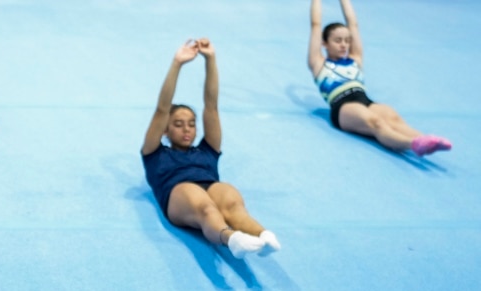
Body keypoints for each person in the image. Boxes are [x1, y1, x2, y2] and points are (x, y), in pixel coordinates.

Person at [141, 39, 280, 259]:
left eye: (191, 123)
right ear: (165, 130)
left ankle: (263, 234)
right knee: (207, 207)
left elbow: (211, 105)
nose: (187, 129)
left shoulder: (207, 151)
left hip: (210, 187)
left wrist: (211, 59)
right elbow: (161, 109)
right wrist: (177, 63)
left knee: (231, 200)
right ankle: (231, 238)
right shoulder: (155, 155)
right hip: (179, 194)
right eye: (178, 124)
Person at [308, 0, 451, 156]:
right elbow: (316, 24)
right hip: (342, 106)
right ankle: (413, 144)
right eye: (337, 40)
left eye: (347, 40)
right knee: (376, 123)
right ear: (324, 43)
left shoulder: (356, 59)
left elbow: (353, 24)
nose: (344, 45)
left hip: (365, 100)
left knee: (393, 118)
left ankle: (427, 140)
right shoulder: (319, 63)